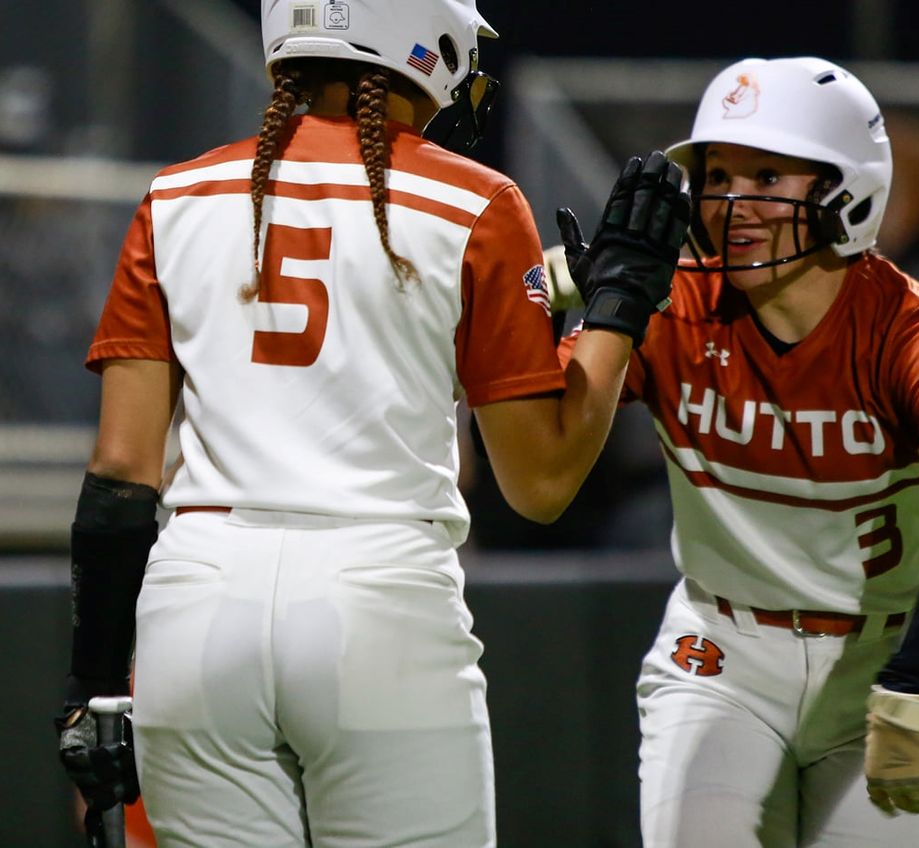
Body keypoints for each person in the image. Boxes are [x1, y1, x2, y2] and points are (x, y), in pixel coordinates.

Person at [53, 1, 689, 845]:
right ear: (427, 40)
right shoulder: (477, 200)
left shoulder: (176, 195)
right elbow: (541, 481)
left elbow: (120, 478)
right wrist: (617, 308)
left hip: (195, 608)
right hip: (378, 599)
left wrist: (93, 692)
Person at [551, 56, 919, 847]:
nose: (732, 204)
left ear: (850, 189)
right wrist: (552, 287)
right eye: (718, 176)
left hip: (885, 661)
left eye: (766, 175)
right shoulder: (672, 301)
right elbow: (538, 421)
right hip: (719, 656)